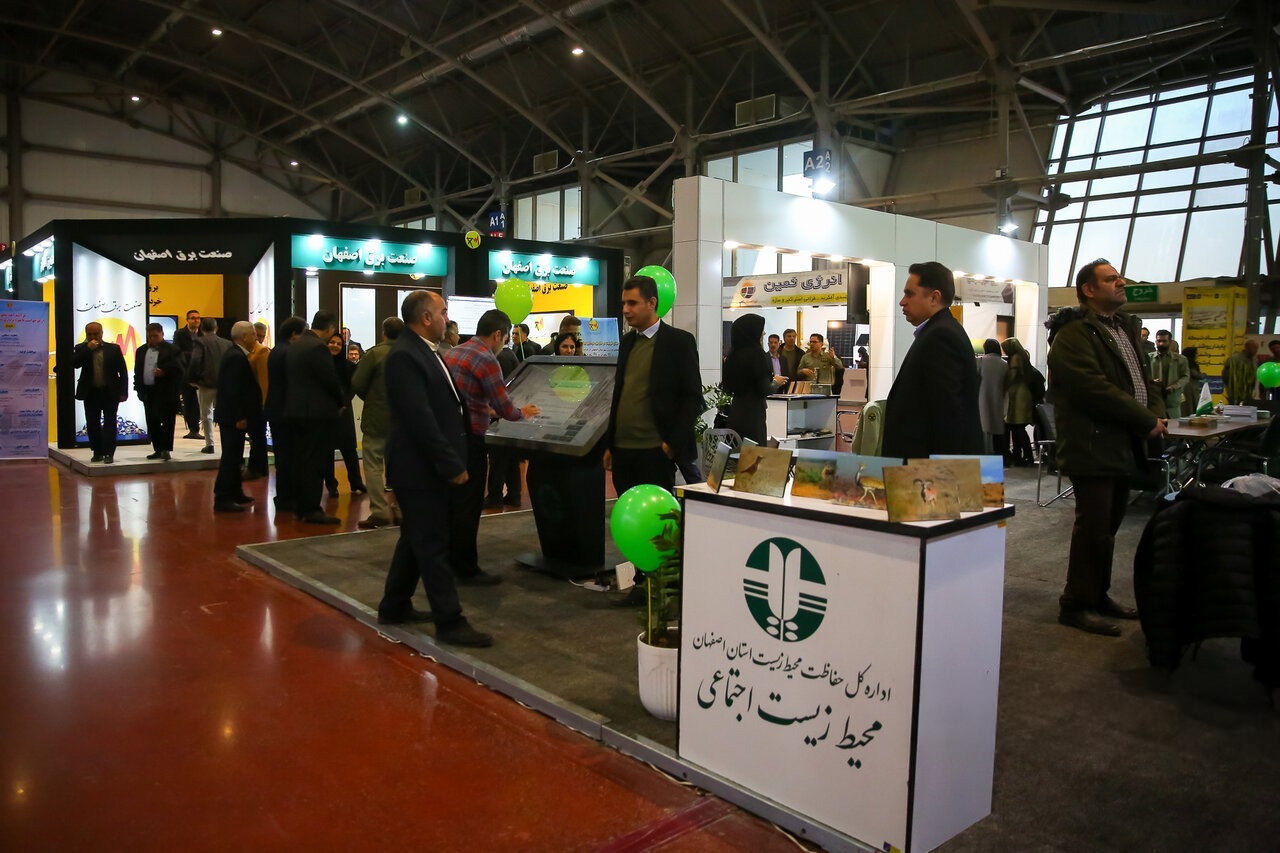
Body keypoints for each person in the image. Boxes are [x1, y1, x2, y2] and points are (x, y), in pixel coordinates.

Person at [1046, 258, 1167, 637]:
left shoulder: (1123, 328)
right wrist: (1145, 420)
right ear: (1089, 289)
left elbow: (1143, 381)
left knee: (1109, 527)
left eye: (1119, 278)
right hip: (1091, 445)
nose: (1121, 283)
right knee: (1094, 527)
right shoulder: (1073, 334)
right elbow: (1092, 388)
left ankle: (1097, 595)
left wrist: (1156, 414)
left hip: (1121, 442)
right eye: (1111, 279)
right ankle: (1076, 604)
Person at [377, 290, 493, 647]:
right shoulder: (405, 356)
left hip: (424, 466)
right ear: (426, 318)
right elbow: (420, 418)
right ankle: (450, 621)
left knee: (415, 538)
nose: (448, 318)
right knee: (433, 544)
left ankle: (394, 605)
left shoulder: (427, 351)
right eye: (443, 312)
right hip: (419, 469)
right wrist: (450, 463)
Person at [443, 310, 541, 584]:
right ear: (498, 334)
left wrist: (491, 411)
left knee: (454, 503)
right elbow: (505, 406)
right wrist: (523, 413)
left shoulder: (455, 353)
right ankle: (466, 568)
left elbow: (467, 398)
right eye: (507, 337)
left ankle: (449, 560)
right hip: (472, 440)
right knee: (469, 505)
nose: (505, 342)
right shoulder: (487, 359)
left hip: (450, 437)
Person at [604, 274, 702, 496]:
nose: (625, 310)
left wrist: (671, 444)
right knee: (627, 510)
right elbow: (620, 393)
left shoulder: (678, 341)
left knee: (655, 513)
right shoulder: (627, 342)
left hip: (655, 451)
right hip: (622, 450)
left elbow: (692, 397)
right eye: (623, 303)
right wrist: (610, 444)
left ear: (652, 303)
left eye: (632, 303)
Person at [881, 262, 983, 459]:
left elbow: (949, 415)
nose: (902, 302)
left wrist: (943, 473)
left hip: (930, 469)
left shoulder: (940, 336)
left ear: (934, 297)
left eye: (909, 294)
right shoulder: (939, 331)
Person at [285, 310, 347, 525]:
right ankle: (312, 509)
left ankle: (302, 507)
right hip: (316, 413)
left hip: (297, 410)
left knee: (302, 460)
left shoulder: (297, 344)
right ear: (330, 328)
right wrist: (341, 402)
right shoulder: (318, 347)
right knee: (315, 462)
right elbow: (329, 379)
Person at [352, 317, 404, 529]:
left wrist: (372, 398)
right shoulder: (409, 353)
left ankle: (380, 511)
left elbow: (357, 383)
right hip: (403, 420)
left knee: (373, 465)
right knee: (400, 465)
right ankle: (400, 509)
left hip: (376, 418)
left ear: (383, 332)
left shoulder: (374, 354)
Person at [212, 322, 263, 513]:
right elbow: (233, 390)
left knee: (235, 456)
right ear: (244, 337)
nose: (256, 338)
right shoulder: (236, 357)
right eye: (253, 334)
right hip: (233, 417)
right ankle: (223, 497)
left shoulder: (236, 354)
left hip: (231, 416)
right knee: (231, 456)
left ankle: (235, 492)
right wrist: (240, 416)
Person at [722, 314, 786, 445]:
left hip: (736, 411)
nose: (763, 334)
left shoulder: (732, 355)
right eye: (761, 331)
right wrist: (776, 382)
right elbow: (763, 389)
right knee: (754, 452)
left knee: (737, 451)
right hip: (753, 413)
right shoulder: (757, 354)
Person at [71, 321, 129, 463]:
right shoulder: (81, 348)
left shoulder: (113, 349)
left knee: (110, 422)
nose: (92, 337)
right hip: (91, 392)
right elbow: (74, 363)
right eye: (89, 334)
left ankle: (109, 453)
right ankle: (97, 452)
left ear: (102, 333)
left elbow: (123, 371)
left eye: (95, 334)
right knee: (92, 423)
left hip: (110, 392)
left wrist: (124, 392)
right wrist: (88, 349)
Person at [265, 316, 307, 514]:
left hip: (276, 409)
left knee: (283, 457)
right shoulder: (288, 352)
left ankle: (284, 496)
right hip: (286, 411)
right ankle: (286, 497)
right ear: (294, 334)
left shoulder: (276, 350)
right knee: (288, 458)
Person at [325, 332, 366, 497]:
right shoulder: (322, 363)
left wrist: (344, 403)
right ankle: (331, 485)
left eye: (338, 344)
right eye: (332, 342)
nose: (335, 346)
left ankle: (356, 482)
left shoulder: (349, 366)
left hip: (344, 412)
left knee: (349, 450)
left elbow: (354, 386)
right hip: (326, 413)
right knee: (327, 451)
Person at [133, 323, 182, 461]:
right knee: (152, 421)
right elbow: (138, 370)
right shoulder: (141, 350)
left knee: (167, 421)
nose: (152, 339)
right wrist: (138, 388)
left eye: (155, 336)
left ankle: (166, 449)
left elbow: (180, 369)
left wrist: (165, 371)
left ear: (162, 334)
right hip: (148, 391)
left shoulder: (172, 349)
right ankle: (158, 449)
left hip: (166, 391)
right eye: (150, 336)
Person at [186, 318, 231, 455]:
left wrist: (192, 379)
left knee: (206, 415)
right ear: (216, 328)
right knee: (225, 414)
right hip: (224, 384)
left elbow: (195, 360)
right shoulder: (227, 343)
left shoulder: (200, 342)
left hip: (206, 383)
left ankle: (210, 444)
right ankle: (227, 443)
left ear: (202, 329)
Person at [1002, 337, 1035, 466]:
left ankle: (1027, 457)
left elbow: (1011, 377)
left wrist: (1002, 387)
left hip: (1018, 396)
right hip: (1023, 394)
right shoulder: (1023, 358)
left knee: (1018, 428)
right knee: (1017, 428)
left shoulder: (1015, 358)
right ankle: (1020, 456)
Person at [245, 329, 271, 479]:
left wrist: (264, 404)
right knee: (256, 436)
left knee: (257, 436)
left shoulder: (261, 352)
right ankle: (260, 467)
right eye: (257, 335)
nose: (259, 338)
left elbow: (264, 380)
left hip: (258, 402)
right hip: (252, 401)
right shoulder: (251, 351)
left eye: (262, 336)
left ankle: (257, 468)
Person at [173, 309, 202, 439]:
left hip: (201, 374)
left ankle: (198, 428)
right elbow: (177, 352)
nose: (196, 320)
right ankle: (193, 429)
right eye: (193, 318)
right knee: (189, 402)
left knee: (200, 403)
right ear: (187, 320)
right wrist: (194, 355)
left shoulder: (203, 334)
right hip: (185, 373)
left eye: (198, 318)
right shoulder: (180, 334)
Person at [975, 338, 1007, 456]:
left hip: (982, 396)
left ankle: (986, 452)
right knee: (996, 425)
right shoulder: (1004, 364)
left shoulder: (980, 361)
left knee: (984, 425)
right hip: (998, 397)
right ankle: (999, 453)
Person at [1148, 330, 1189, 418]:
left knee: (1174, 424)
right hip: (1154, 400)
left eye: (1164, 341)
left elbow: (1186, 377)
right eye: (1159, 341)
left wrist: (1175, 386)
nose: (1161, 344)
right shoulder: (1148, 358)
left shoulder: (1180, 359)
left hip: (1172, 401)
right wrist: (1151, 381)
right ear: (1155, 342)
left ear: (1170, 342)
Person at [1222, 340, 1259, 405]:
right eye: (1254, 348)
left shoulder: (1254, 360)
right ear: (1247, 347)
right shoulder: (1234, 359)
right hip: (1235, 395)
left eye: (1256, 348)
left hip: (1248, 395)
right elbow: (1225, 375)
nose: (1256, 350)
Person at [1182, 346, 1206, 414]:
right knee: (1190, 405)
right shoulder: (1189, 364)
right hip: (1190, 388)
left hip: (1191, 387)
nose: (1197, 355)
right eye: (1196, 353)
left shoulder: (1186, 363)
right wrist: (1203, 375)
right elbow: (1196, 375)